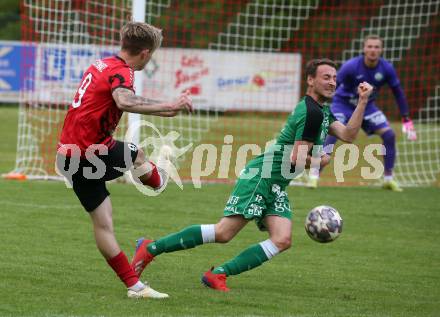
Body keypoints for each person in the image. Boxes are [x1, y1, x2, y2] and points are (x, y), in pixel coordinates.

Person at [130, 59, 373, 292]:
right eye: (326, 77)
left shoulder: (323, 111)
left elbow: (349, 135)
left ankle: (218, 273)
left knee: (282, 239)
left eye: (334, 78)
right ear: (311, 80)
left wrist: (362, 101)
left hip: (276, 183)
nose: (332, 82)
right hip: (262, 177)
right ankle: (150, 248)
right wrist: (322, 161)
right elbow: (296, 159)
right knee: (224, 232)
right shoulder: (312, 113)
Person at [56, 22, 193, 299]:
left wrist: (167, 110)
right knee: (136, 155)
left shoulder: (102, 64)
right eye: (151, 54)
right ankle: (159, 177)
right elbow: (123, 100)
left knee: (104, 222)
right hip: (88, 155)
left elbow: (121, 99)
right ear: (144, 53)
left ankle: (134, 287)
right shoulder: (123, 72)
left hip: (68, 156)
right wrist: (168, 106)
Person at [307, 35, 417, 191]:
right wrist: (320, 106)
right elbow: (333, 85)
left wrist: (406, 117)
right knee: (333, 132)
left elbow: (398, 92)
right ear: (364, 49)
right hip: (342, 104)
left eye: (376, 47)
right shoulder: (351, 66)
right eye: (370, 47)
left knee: (389, 134)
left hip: (367, 106)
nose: (373, 50)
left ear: (381, 50)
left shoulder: (386, 68)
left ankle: (388, 179)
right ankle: (314, 176)